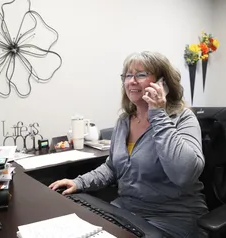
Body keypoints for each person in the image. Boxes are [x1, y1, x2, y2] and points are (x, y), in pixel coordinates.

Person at [49, 51, 208, 238]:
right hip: (127, 212)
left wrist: (158, 114)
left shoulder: (182, 119)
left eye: (141, 74)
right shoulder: (124, 121)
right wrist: (79, 182)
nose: (132, 81)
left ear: (162, 83)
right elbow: (112, 168)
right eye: (127, 75)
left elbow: (184, 174)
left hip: (172, 217)